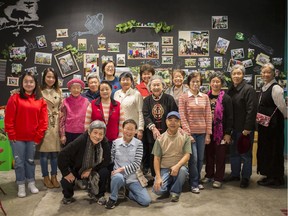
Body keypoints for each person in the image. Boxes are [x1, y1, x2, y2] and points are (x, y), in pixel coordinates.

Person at [5, 71, 48, 198]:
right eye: (26, 81)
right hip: (17, 138)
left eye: (31, 81)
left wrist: (38, 137)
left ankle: (31, 182)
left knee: (30, 161)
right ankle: (21, 184)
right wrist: (11, 135)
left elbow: (43, 121)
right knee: (19, 162)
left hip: (32, 138)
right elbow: (9, 119)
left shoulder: (40, 100)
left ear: (35, 83)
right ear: (22, 83)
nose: (28, 84)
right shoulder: (14, 98)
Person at [58, 120, 111, 205]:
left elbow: (107, 160)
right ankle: (68, 196)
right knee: (66, 180)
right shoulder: (81, 140)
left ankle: (99, 195)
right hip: (77, 169)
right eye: (95, 132)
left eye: (101, 134)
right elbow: (62, 155)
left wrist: (91, 169)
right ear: (89, 132)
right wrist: (66, 173)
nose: (97, 136)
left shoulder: (104, 142)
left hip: (93, 169)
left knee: (104, 171)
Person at [105, 119, 151, 209]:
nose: (129, 132)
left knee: (146, 201)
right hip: (118, 176)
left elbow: (137, 164)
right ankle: (113, 198)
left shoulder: (139, 144)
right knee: (118, 177)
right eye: (127, 128)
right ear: (122, 129)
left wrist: (121, 169)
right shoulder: (115, 142)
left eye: (132, 129)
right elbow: (111, 159)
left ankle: (127, 193)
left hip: (133, 178)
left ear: (136, 131)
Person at [179, 71, 212, 194]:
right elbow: (182, 116)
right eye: (193, 81)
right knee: (193, 158)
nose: (195, 83)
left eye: (198, 81)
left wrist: (208, 133)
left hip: (202, 133)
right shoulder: (183, 97)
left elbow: (208, 115)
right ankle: (193, 183)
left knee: (200, 159)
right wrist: (188, 134)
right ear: (188, 84)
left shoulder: (205, 97)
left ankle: (197, 180)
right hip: (190, 133)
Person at [225, 64, 257, 188]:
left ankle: (245, 177)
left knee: (245, 154)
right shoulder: (230, 90)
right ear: (231, 75)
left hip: (245, 129)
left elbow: (251, 110)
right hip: (233, 128)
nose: (236, 76)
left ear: (243, 75)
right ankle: (234, 174)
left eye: (239, 73)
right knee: (234, 153)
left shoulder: (248, 90)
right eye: (234, 74)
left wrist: (248, 128)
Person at [256, 63, 287, 187]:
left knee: (274, 149)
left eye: (268, 72)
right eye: (263, 72)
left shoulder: (276, 88)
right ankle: (269, 174)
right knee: (266, 149)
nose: (265, 74)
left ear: (274, 73)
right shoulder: (264, 87)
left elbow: (282, 107)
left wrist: (285, 116)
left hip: (274, 125)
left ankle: (276, 177)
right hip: (265, 124)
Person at [202, 72, 233, 188]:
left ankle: (218, 177)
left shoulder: (226, 98)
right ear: (210, 83)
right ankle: (209, 175)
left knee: (220, 156)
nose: (215, 84)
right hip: (208, 132)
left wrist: (228, 133)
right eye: (213, 81)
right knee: (209, 155)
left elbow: (230, 117)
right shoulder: (205, 97)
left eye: (218, 82)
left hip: (221, 132)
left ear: (221, 84)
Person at [142, 75, 178, 176]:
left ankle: (168, 176)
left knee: (168, 155)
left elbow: (174, 115)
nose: (156, 87)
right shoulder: (146, 100)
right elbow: (146, 115)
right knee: (153, 155)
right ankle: (155, 176)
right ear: (150, 87)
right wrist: (153, 128)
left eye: (158, 85)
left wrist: (169, 131)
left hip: (168, 133)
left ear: (163, 86)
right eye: (154, 85)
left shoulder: (169, 99)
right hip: (151, 134)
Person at [152, 111, 191, 202]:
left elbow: (187, 155)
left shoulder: (185, 137)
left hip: (180, 167)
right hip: (165, 168)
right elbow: (156, 159)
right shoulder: (160, 139)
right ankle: (172, 182)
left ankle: (175, 192)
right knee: (157, 190)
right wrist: (158, 177)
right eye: (170, 120)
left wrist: (177, 166)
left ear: (180, 123)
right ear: (166, 122)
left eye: (176, 120)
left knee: (183, 171)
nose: (173, 123)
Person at [39, 67, 62, 189]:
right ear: (44, 77)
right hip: (44, 123)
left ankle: (54, 176)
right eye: (48, 77)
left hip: (55, 123)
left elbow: (60, 107)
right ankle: (45, 177)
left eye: (53, 77)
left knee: (54, 153)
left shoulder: (58, 91)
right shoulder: (39, 91)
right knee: (44, 153)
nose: (51, 79)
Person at [59, 78, 89, 146]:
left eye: (78, 88)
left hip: (82, 133)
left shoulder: (86, 102)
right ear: (70, 89)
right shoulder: (65, 102)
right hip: (68, 133)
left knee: (80, 155)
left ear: (81, 90)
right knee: (68, 155)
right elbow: (62, 120)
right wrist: (62, 135)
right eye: (73, 88)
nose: (76, 90)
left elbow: (89, 119)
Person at [114, 72, 144, 140]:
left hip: (133, 130)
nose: (125, 82)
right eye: (123, 79)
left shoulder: (136, 94)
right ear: (119, 82)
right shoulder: (116, 93)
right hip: (119, 129)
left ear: (131, 81)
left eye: (127, 80)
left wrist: (140, 129)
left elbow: (140, 112)